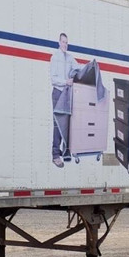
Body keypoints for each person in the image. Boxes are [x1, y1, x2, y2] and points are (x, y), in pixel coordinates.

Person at [50, 33, 80, 168]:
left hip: (66, 94)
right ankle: (55, 155)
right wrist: (66, 82)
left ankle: (64, 150)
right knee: (57, 124)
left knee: (66, 123)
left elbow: (78, 67)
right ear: (59, 42)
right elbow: (53, 79)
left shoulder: (69, 58)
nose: (65, 45)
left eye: (66, 42)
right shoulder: (54, 57)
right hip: (58, 92)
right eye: (63, 42)